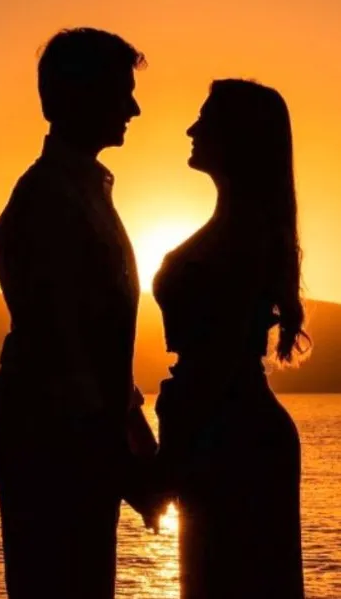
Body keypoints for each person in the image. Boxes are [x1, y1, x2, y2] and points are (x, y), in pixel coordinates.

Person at [0, 27, 157, 599]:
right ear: (79, 94)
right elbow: (63, 349)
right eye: (121, 91)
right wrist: (127, 462)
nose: (134, 106)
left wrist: (134, 433)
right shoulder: (49, 199)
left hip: (72, 443)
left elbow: (98, 349)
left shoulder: (84, 192)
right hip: (50, 448)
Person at [153, 79, 309, 599]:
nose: (192, 129)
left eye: (206, 120)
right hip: (224, 431)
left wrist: (167, 458)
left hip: (233, 438)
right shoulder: (239, 228)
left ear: (238, 136)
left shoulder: (242, 237)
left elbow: (216, 364)